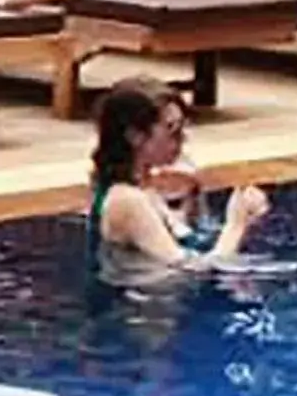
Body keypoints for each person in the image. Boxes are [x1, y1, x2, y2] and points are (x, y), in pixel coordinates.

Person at [89, 76, 268, 273]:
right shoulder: (127, 201)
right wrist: (236, 224)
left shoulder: (142, 188)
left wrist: (188, 211)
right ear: (135, 136)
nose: (182, 139)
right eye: (172, 130)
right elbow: (194, 272)